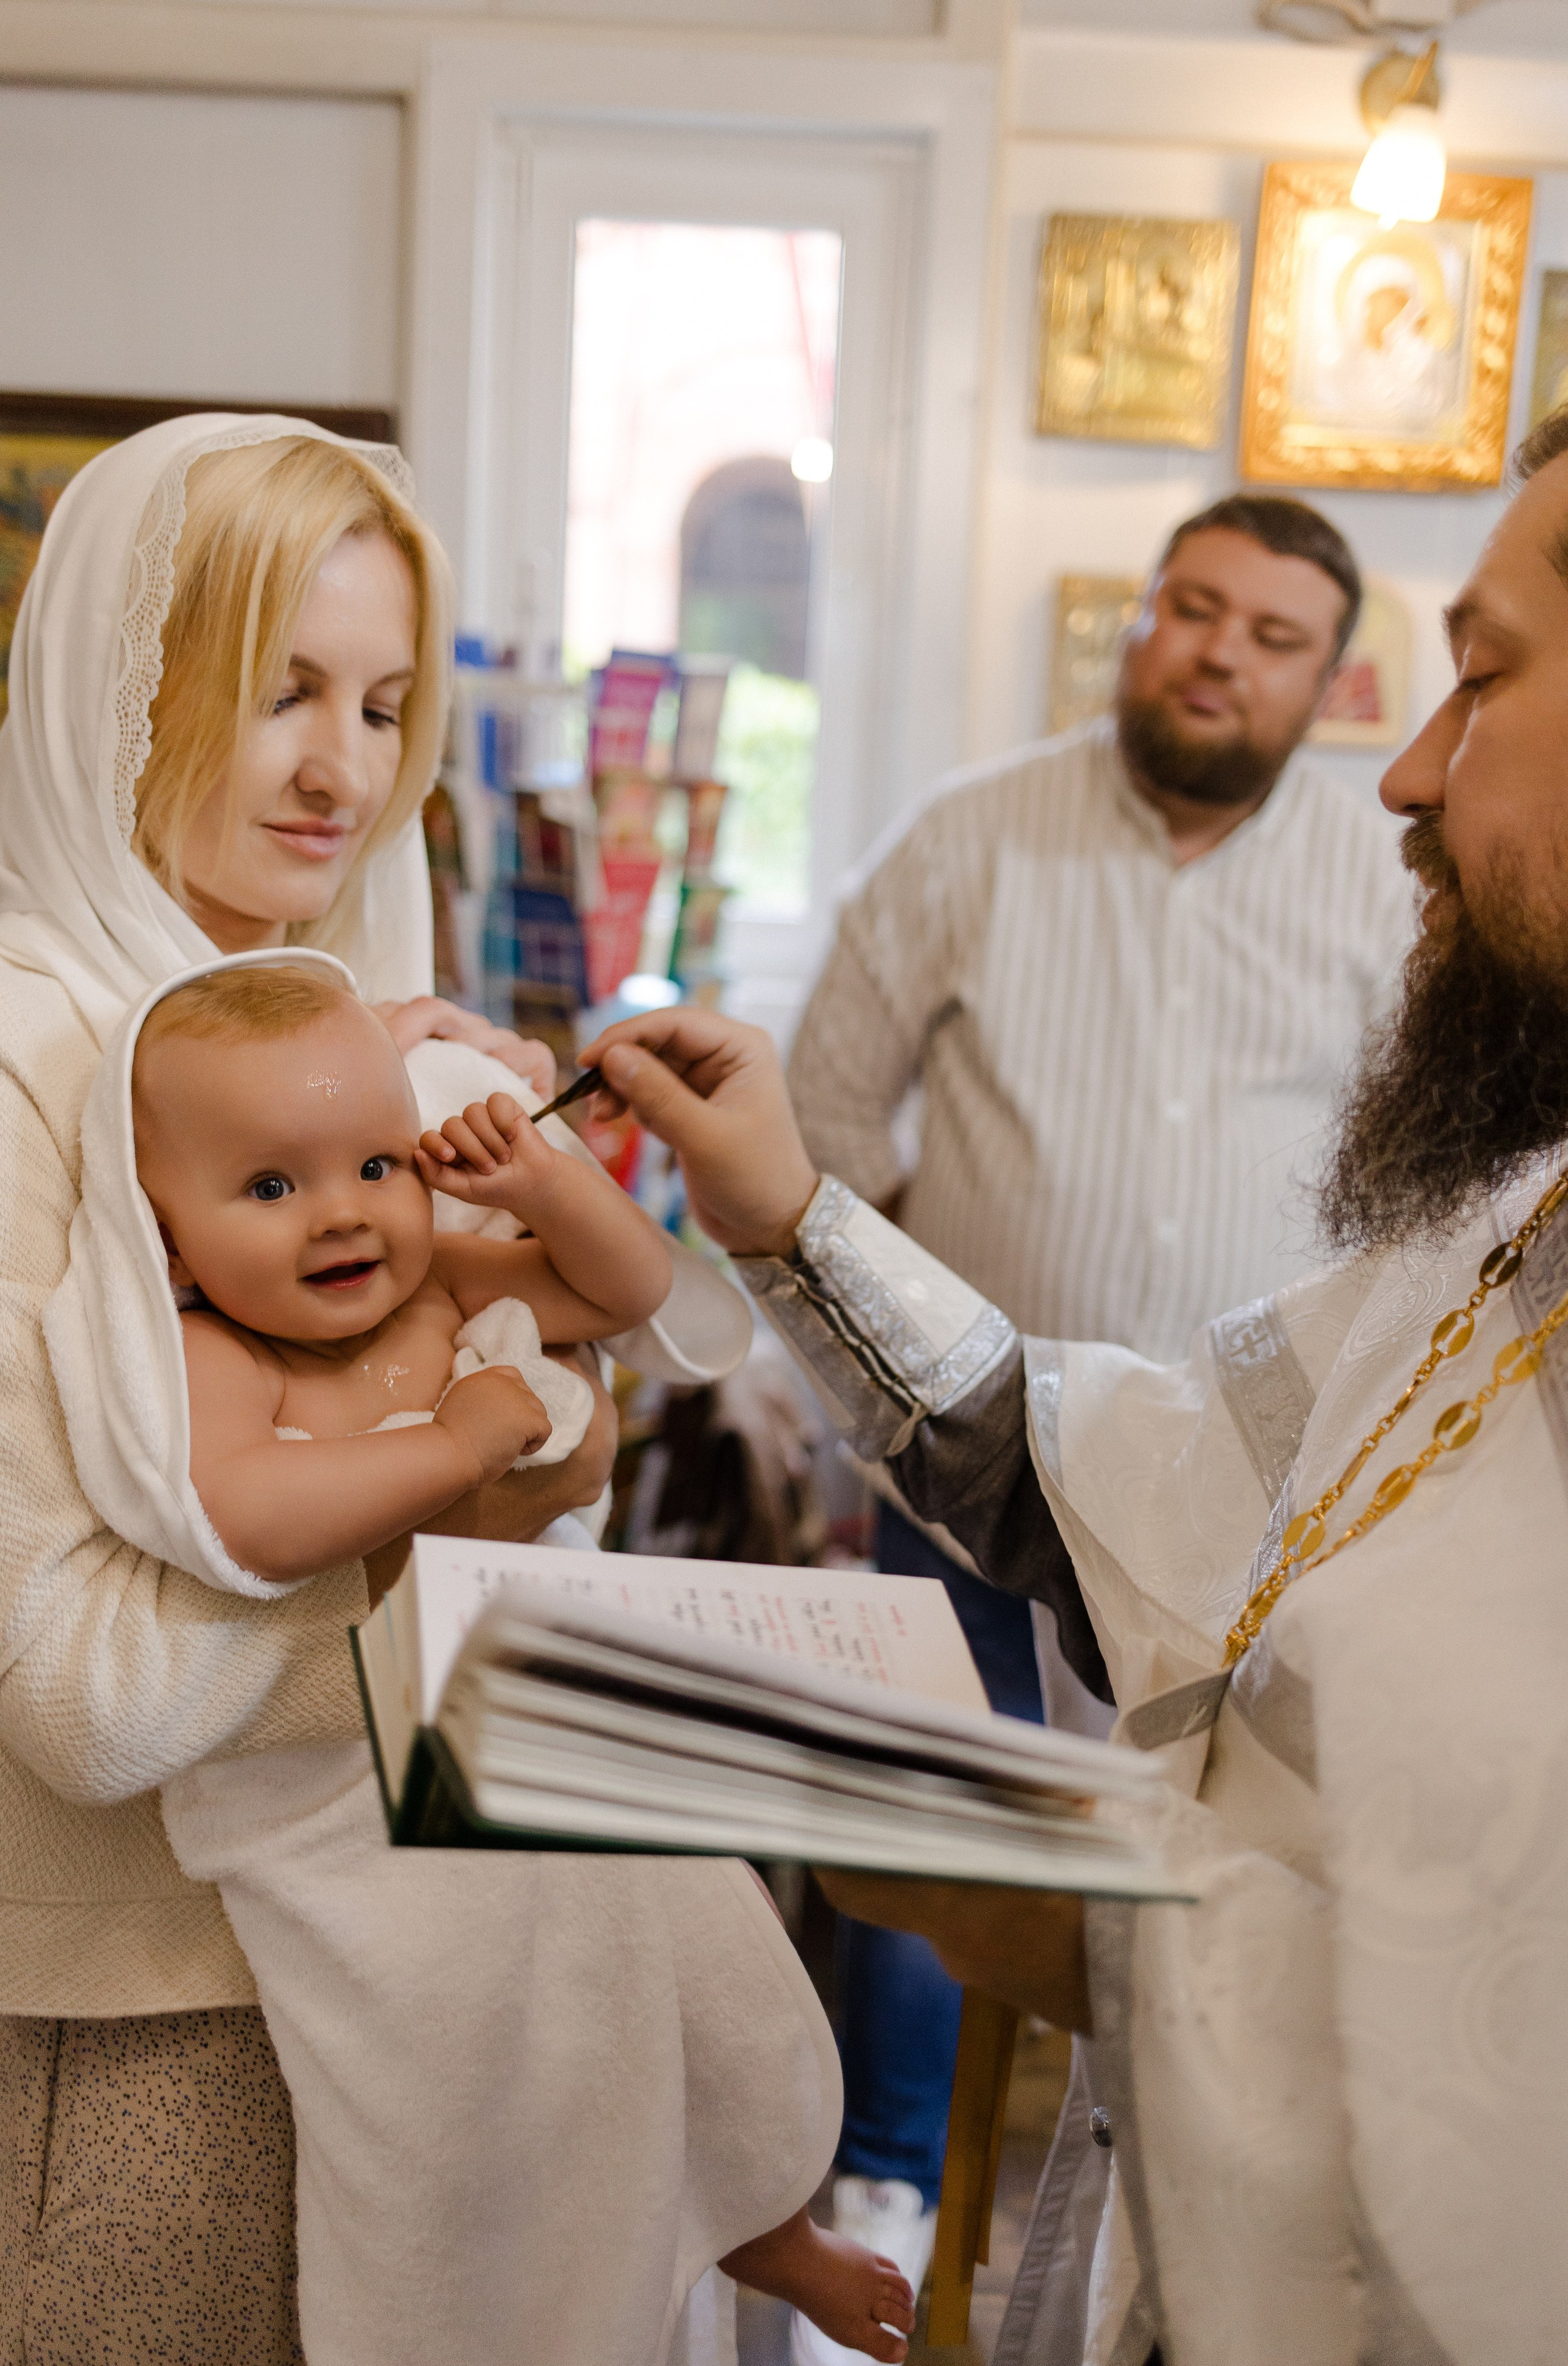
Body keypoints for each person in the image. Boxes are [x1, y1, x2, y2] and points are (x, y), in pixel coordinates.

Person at [578, 395, 1568, 2365]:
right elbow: (1134, 1470)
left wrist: (1054, 1914)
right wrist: (787, 1214)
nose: (1414, 780)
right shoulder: (1511, 1227)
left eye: (1485, 681)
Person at [0, 413, 834, 2366]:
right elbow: (79, 1692)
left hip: (443, 1978)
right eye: (274, 689)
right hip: (161, 2031)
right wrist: (453, 1523)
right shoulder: (39, 1079)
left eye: (382, 707)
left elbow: (559, 1403)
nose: (340, 769)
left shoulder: (356, 1043)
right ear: (123, 681)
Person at [48, 950, 915, 2364]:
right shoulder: (224, 1361)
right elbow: (247, 1517)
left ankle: (758, 2218)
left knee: (683, 1935)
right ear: (163, 1235)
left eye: (377, 1164)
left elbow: (634, 1293)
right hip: (333, 1795)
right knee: (457, 2067)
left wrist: (541, 1182)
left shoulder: (434, 1278)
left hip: (511, 1722)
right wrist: (450, 1448)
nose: (341, 1217)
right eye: (270, 1188)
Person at [785, 492, 1416, 2337]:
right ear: (1141, 622)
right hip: (985, 1476)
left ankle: (1180, 2242)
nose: (1220, 652)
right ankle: (892, 2189)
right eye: (1193, 609)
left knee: (1221, 1886)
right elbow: (822, 1135)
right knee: (958, 1832)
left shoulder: (1389, 883)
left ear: (1324, 678)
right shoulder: (966, 842)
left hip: (1266, 1514)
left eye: (1271, 634)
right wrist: (894, 1371)